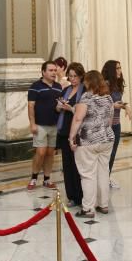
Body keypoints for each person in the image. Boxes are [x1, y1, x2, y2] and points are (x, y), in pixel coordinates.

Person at [68, 70, 116, 218]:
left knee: (87, 174)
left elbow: (77, 119)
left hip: (88, 141)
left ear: (88, 82)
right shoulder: (108, 98)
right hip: (107, 139)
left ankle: (88, 209)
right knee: (103, 172)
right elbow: (110, 119)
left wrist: (71, 138)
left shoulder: (86, 97)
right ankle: (103, 204)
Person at [27, 60, 62, 191]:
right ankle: (34, 178)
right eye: (51, 70)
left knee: (50, 153)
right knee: (40, 152)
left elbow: (59, 106)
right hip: (40, 125)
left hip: (54, 125)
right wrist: (32, 124)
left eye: (55, 70)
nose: (54, 73)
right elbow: (31, 106)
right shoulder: (35, 86)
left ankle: (47, 179)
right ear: (43, 72)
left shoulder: (59, 87)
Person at [56, 63, 85, 208]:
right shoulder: (66, 89)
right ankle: (72, 196)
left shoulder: (84, 91)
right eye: (71, 76)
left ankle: (81, 196)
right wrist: (59, 106)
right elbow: (57, 107)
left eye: (75, 76)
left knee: (77, 165)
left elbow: (83, 112)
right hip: (64, 131)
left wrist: (71, 108)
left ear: (81, 76)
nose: (72, 79)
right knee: (67, 165)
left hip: (78, 131)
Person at [102, 60, 132, 185]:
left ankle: (106, 178)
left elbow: (117, 103)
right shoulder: (105, 85)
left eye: (120, 68)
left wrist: (126, 107)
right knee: (105, 154)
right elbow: (102, 105)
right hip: (105, 126)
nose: (120, 70)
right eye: (117, 68)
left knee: (113, 153)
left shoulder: (117, 85)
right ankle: (102, 179)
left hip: (116, 125)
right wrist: (114, 106)